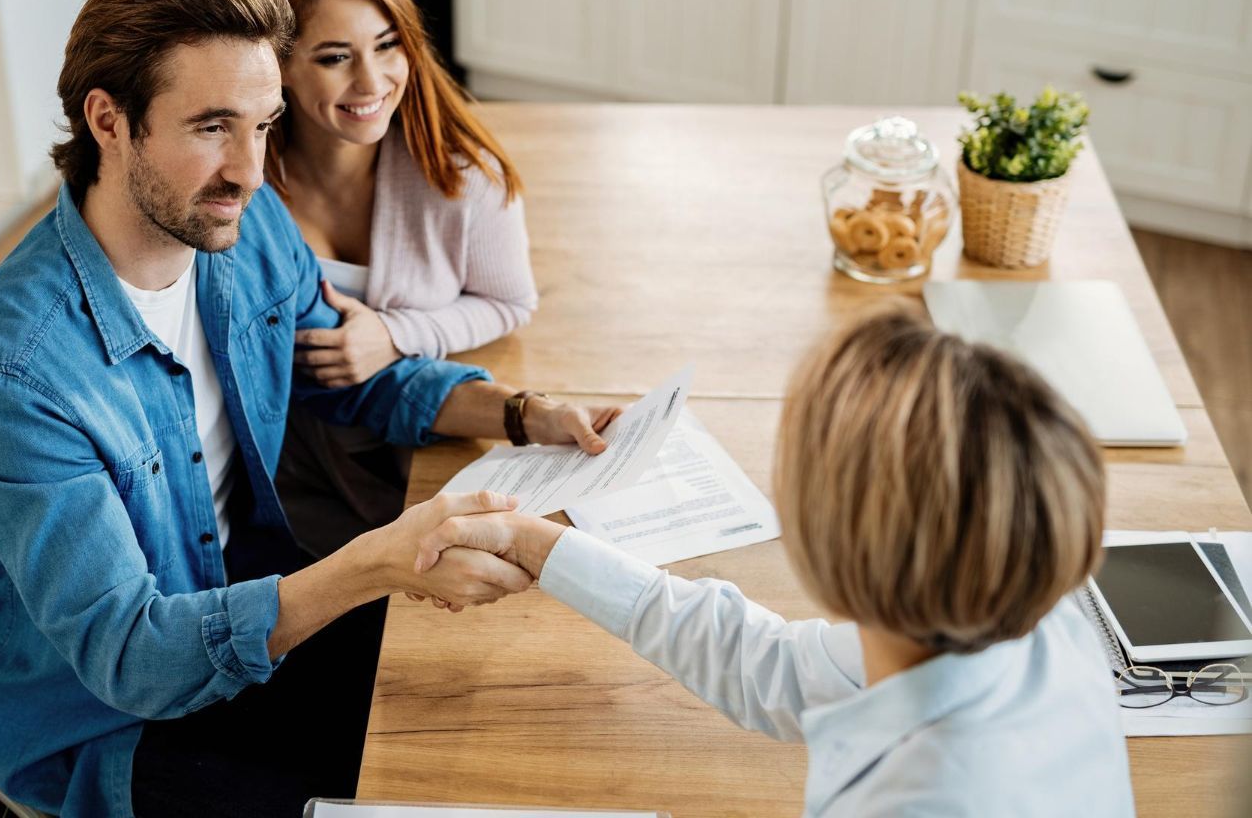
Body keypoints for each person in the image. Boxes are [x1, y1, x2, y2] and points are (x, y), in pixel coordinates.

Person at [0, 0, 619, 818]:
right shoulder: (14, 377)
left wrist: (521, 414)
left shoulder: (241, 234)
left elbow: (349, 376)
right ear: (109, 120)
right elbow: (132, 657)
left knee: (497, 723)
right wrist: (373, 563)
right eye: (213, 127)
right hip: (106, 722)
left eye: (263, 125)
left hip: (250, 607)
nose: (251, 170)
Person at [416, 303, 1133, 816]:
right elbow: (776, 667)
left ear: (839, 541)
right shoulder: (1017, 614)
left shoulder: (932, 795)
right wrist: (543, 546)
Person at [253, 0, 538, 556]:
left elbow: (510, 303)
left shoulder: (462, 173)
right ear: (278, 67)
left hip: (418, 430)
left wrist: (391, 334)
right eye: (334, 57)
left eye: (387, 45)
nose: (372, 80)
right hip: (286, 462)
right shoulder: (242, 186)